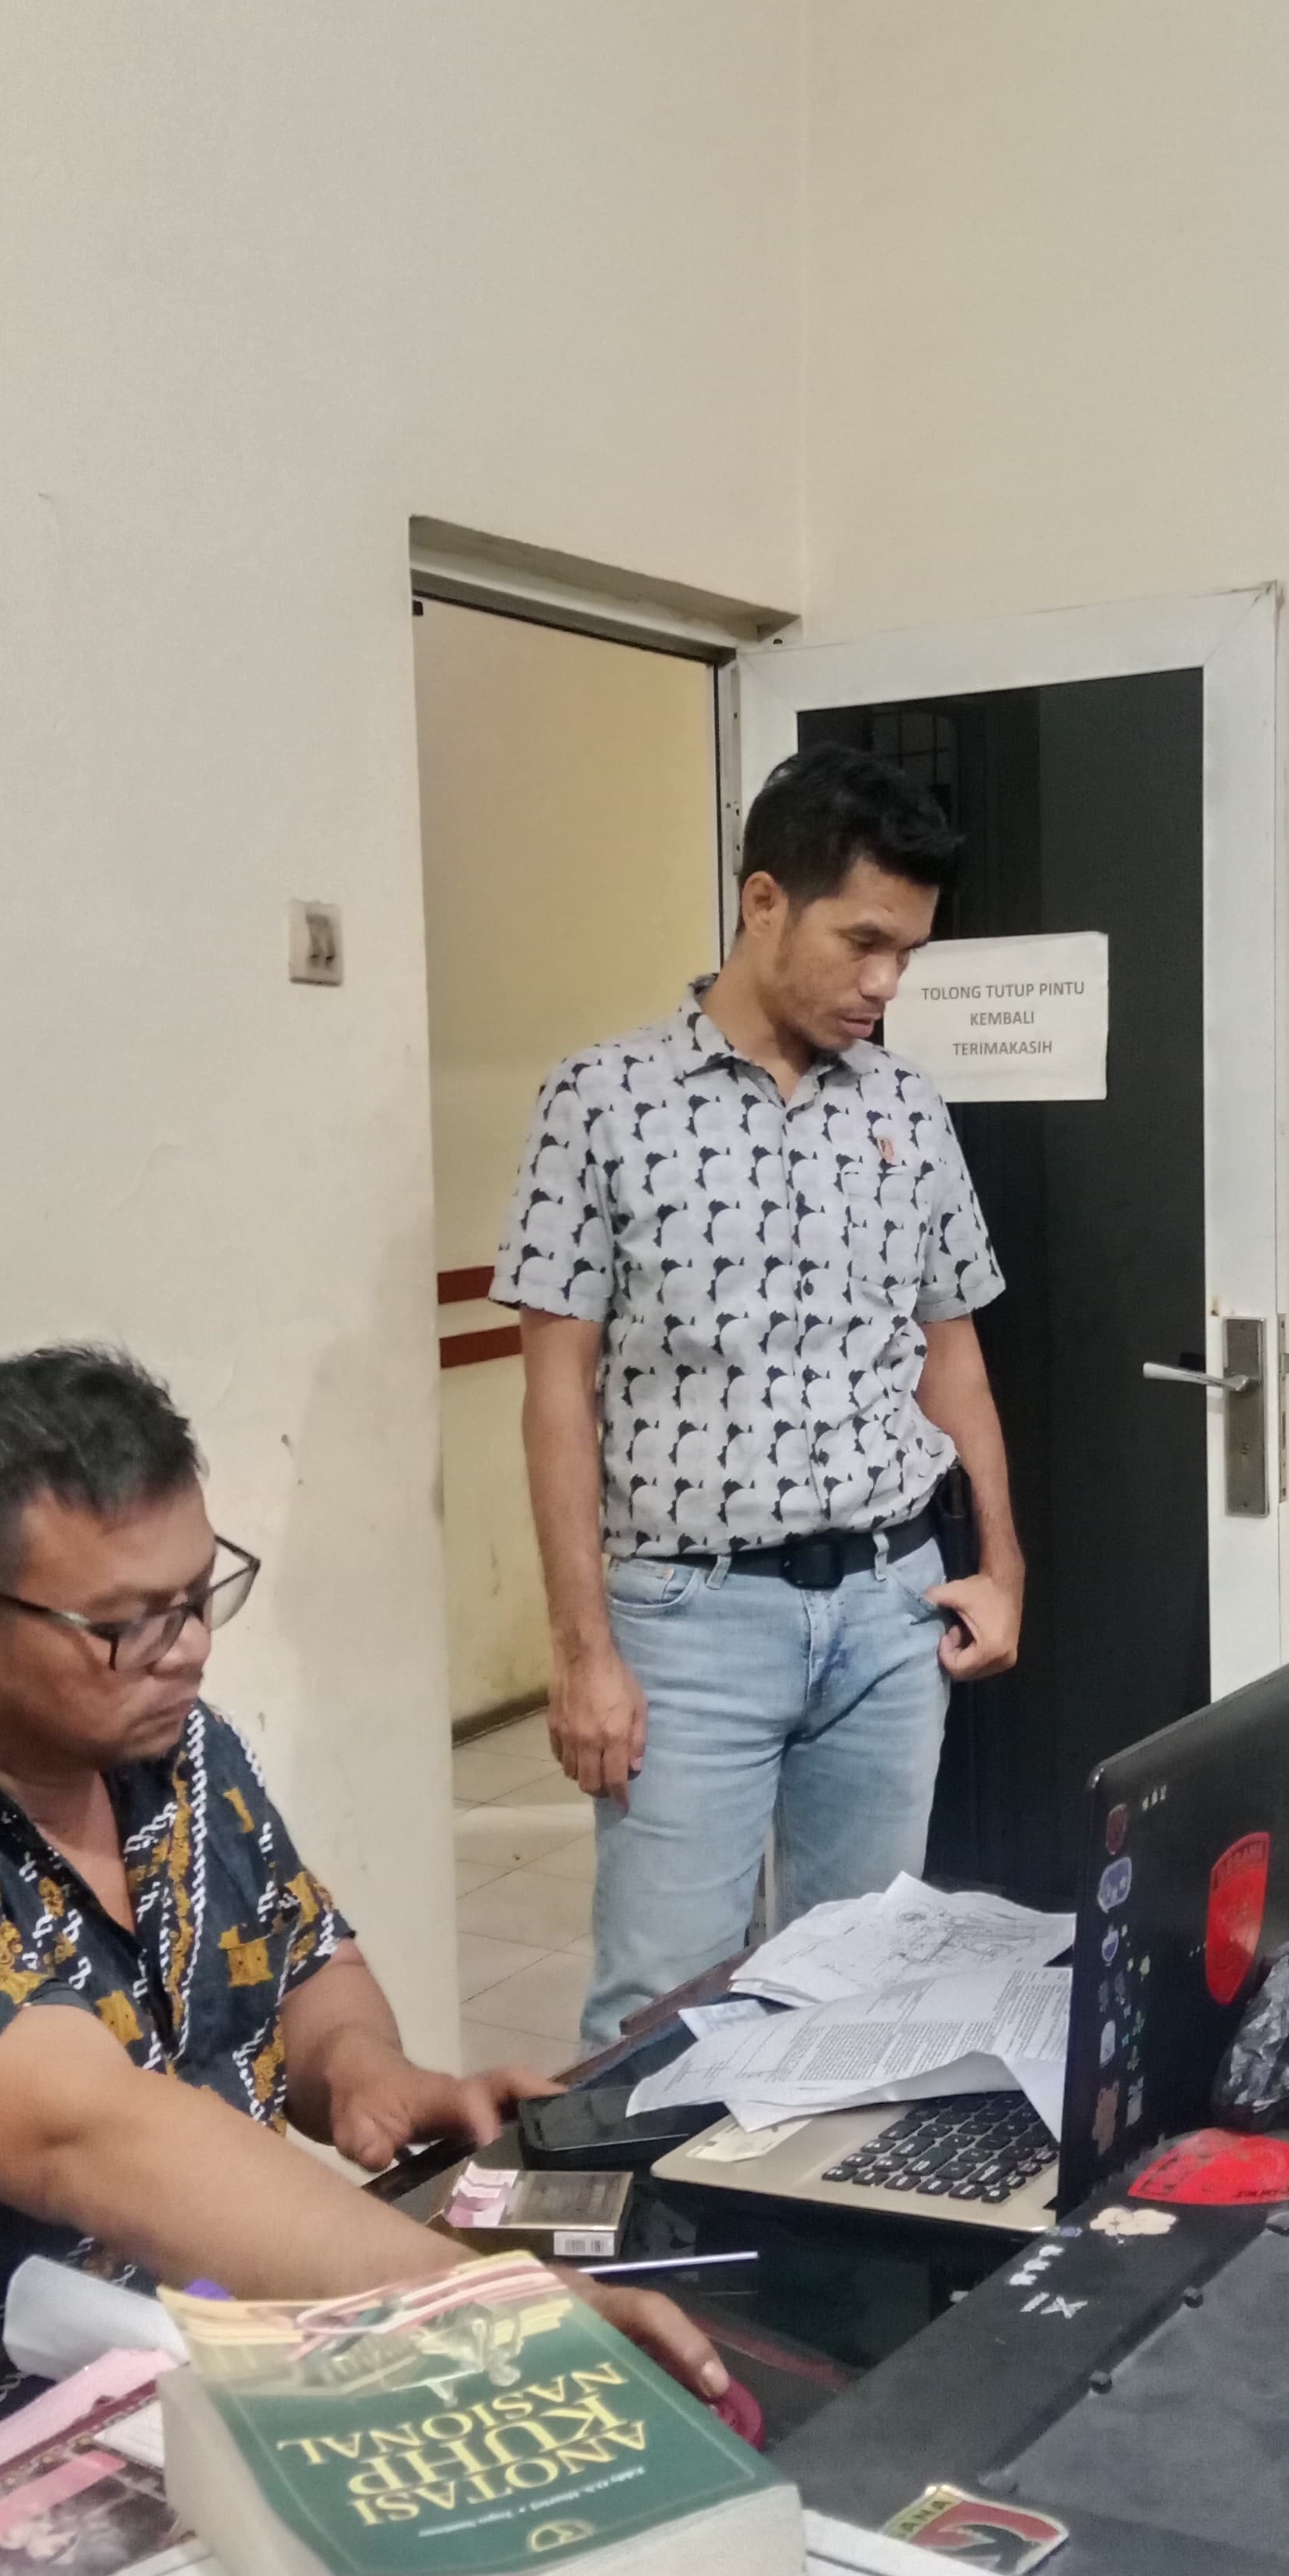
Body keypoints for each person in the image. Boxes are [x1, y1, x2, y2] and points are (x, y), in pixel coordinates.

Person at [0, 1345, 723, 2464]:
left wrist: (362, 2068)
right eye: (129, 1622)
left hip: (212, 2361)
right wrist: (479, 2310)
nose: (188, 1651)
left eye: (197, 1596)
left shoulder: (173, 1755)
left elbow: (304, 1961)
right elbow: (95, 2135)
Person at [495, 745, 1024, 2045]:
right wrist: (582, 1653)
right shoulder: (600, 1103)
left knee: (862, 1980)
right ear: (765, 901)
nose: (886, 983)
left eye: (908, 953)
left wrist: (1001, 1565)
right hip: (690, 1623)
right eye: (864, 942)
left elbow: (952, 1354)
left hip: (892, 1611)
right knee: (658, 2014)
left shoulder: (909, 1107)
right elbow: (557, 1393)